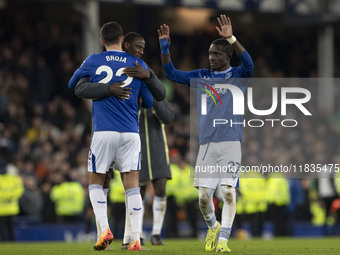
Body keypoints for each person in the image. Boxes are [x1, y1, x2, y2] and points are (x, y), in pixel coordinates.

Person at [158, 14, 254, 252]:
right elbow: (171, 74)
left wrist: (231, 38)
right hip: (207, 145)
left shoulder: (238, 76)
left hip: (231, 142)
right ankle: (212, 227)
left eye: (217, 54)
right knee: (203, 198)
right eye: (210, 54)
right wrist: (164, 48)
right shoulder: (201, 76)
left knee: (229, 193)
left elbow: (250, 64)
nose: (212, 58)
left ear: (227, 55)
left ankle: (223, 240)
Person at [75, 32, 173, 248]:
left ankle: (123, 236)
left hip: (105, 134)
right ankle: (124, 237)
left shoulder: (106, 63)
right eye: (138, 47)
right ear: (123, 43)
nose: (141, 51)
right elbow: (149, 100)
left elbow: (77, 86)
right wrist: (144, 81)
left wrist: (145, 77)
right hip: (129, 134)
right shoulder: (138, 66)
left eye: (143, 47)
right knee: (127, 185)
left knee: (102, 182)